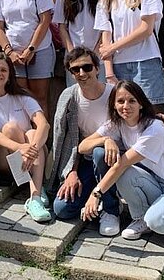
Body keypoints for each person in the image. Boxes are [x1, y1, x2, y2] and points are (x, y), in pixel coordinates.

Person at [79, 81, 164, 255]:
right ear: (113, 104)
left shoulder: (154, 128)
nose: (126, 106)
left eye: (132, 101)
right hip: (157, 183)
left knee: (157, 220)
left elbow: (121, 164)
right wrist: (106, 140)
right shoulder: (117, 123)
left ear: (141, 103)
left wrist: (95, 195)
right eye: (120, 101)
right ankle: (141, 218)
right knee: (125, 174)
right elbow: (83, 146)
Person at [48, 47, 120, 236]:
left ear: (97, 68)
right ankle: (95, 197)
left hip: (117, 160)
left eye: (87, 67)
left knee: (100, 152)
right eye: (75, 69)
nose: (82, 73)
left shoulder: (115, 94)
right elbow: (66, 141)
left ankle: (111, 211)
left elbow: (140, 116)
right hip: (85, 161)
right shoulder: (69, 97)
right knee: (62, 209)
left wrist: (162, 118)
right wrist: (71, 171)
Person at [0, 52, 52, 223]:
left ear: (10, 76)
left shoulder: (21, 95)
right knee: (10, 128)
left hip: (31, 155)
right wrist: (21, 148)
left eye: (4, 70)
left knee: (33, 133)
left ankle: (35, 198)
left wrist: (30, 149)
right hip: (6, 159)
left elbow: (44, 124)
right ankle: (37, 186)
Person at [95, 0, 164, 110]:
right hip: (119, 65)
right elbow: (106, 36)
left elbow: (146, 29)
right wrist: (109, 73)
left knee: (151, 113)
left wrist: (113, 47)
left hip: (145, 61)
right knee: (124, 116)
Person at [0, 0, 56, 121]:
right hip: (14, 54)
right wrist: (9, 52)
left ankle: (42, 143)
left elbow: (45, 19)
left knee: (40, 99)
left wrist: (31, 48)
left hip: (39, 50)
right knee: (21, 100)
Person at [53, 0, 105, 84]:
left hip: (100, 57)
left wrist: (94, 55)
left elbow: (107, 26)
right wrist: (73, 55)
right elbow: (62, 27)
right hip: (74, 60)